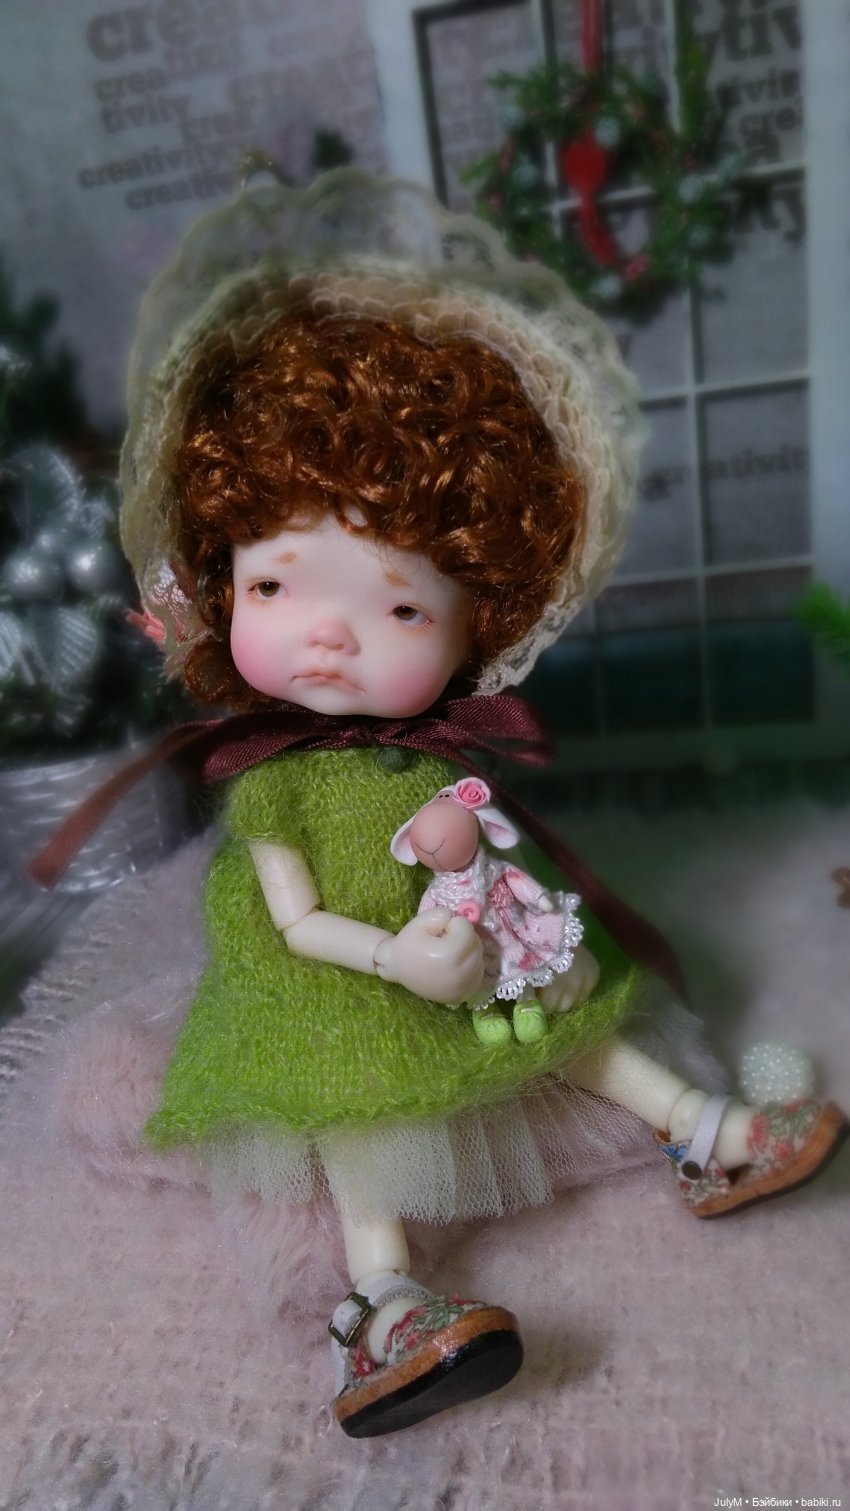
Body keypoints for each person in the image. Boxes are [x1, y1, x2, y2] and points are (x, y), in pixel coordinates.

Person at [117, 169, 847, 1439]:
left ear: (478, 629)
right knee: (359, 1112)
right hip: (334, 984)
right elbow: (293, 921)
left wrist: (499, 928)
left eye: (400, 605)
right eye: (278, 585)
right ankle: (383, 1297)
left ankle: (704, 1127)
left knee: (565, 1011)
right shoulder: (275, 776)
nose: (331, 636)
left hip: (456, 942)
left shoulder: (429, 756)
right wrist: (396, 957)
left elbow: (478, 849)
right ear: (221, 578)